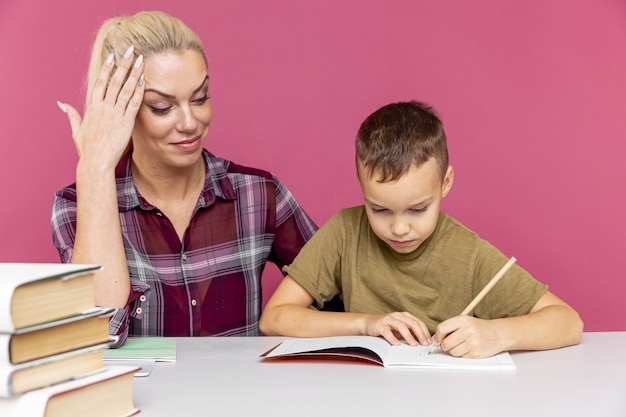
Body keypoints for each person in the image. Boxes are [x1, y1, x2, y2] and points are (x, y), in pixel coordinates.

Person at [51, 11, 317, 346]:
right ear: (121, 111)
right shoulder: (75, 206)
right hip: (137, 399)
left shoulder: (259, 194)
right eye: (162, 107)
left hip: (246, 398)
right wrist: (95, 166)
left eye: (200, 97)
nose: (190, 122)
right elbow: (97, 335)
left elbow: (341, 292)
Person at [259, 100, 583, 359]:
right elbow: (274, 320)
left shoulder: (468, 253)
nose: (399, 228)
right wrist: (367, 323)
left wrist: (495, 334)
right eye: (380, 209)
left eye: (417, 209)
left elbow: (569, 323)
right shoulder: (345, 231)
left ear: (445, 183)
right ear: (362, 188)